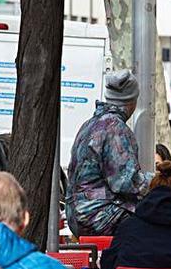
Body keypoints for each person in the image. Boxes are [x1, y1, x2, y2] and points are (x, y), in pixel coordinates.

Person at [66, 69, 154, 236]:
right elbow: (126, 182)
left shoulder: (89, 124)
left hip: (76, 214)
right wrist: (160, 180)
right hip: (98, 215)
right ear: (132, 101)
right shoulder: (115, 128)